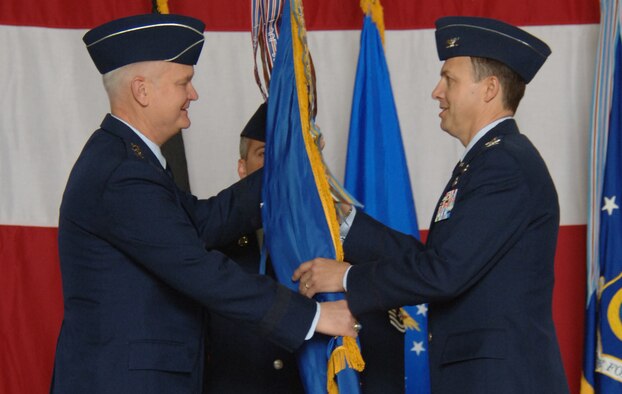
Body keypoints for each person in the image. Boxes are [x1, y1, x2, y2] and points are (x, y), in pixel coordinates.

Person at [50, 13, 356, 394]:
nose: (192, 94)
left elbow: (203, 221)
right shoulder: (122, 174)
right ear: (142, 91)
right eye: (184, 82)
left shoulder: (126, 161)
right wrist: (313, 316)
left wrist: (291, 170)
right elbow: (198, 268)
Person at [294, 16, 569, 393]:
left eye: (449, 79)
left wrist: (345, 277)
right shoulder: (487, 161)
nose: (437, 91)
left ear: (488, 89)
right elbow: (439, 258)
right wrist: (347, 222)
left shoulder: (504, 164)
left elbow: (445, 272)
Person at [205, 103, 404, 393]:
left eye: (292, 156)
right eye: (263, 155)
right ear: (241, 168)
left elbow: (385, 344)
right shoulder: (217, 252)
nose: (278, 168)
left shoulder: (347, 245)